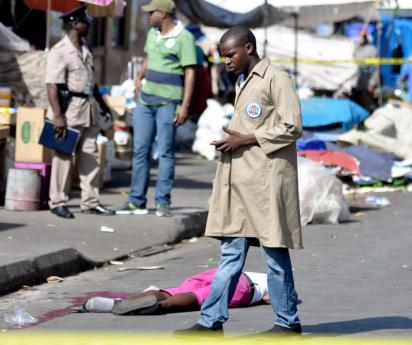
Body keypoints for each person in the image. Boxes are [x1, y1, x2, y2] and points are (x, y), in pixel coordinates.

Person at [175, 27, 303, 336]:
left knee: (274, 253)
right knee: (231, 254)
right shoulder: (241, 80)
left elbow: (293, 126)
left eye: (230, 55)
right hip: (240, 181)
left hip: (266, 182)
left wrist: (248, 138)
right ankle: (211, 321)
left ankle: (288, 322)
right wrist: (233, 140)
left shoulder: (276, 78)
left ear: (248, 47)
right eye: (223, 56)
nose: (226, 61)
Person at [115, 0, 197, 217]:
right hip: (146, 101)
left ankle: (163, 202)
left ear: (163, 13)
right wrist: (139, 77)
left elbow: (190, 72)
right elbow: (149, 57)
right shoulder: (153, 33)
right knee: (140, 150)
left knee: (166, 152)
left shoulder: (185, 37)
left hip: (169, 102)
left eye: (151, 12)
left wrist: (184, 105)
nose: (148, 16)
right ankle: (136, 201)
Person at [45, 5, 115, 219]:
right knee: (63, 155)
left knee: (90, 155)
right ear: (75, 25)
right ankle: (57, 201)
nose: (89, 24)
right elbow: (52, 86)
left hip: (89, 108)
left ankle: (90, 201)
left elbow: (92, 83)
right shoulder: (60, 51)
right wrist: (58, 116)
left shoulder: (86, 49)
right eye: (85, 21)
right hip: (69, 110)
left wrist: (104, 108)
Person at [75, 269, 269, 315]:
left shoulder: (267, 273)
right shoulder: (281, 283)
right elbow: (272, 297)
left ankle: (115, 302)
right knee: (199, 298)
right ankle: (158, 307)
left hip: (224, 269)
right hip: (244, 286)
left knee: (174, 291)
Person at [352, 31, 379, 113]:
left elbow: (376, 68)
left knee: (367, 104)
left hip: (366, 82)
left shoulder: (372, 49)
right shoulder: (354, 47)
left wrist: (372, 83)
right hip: (353, 82)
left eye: (362, 37)